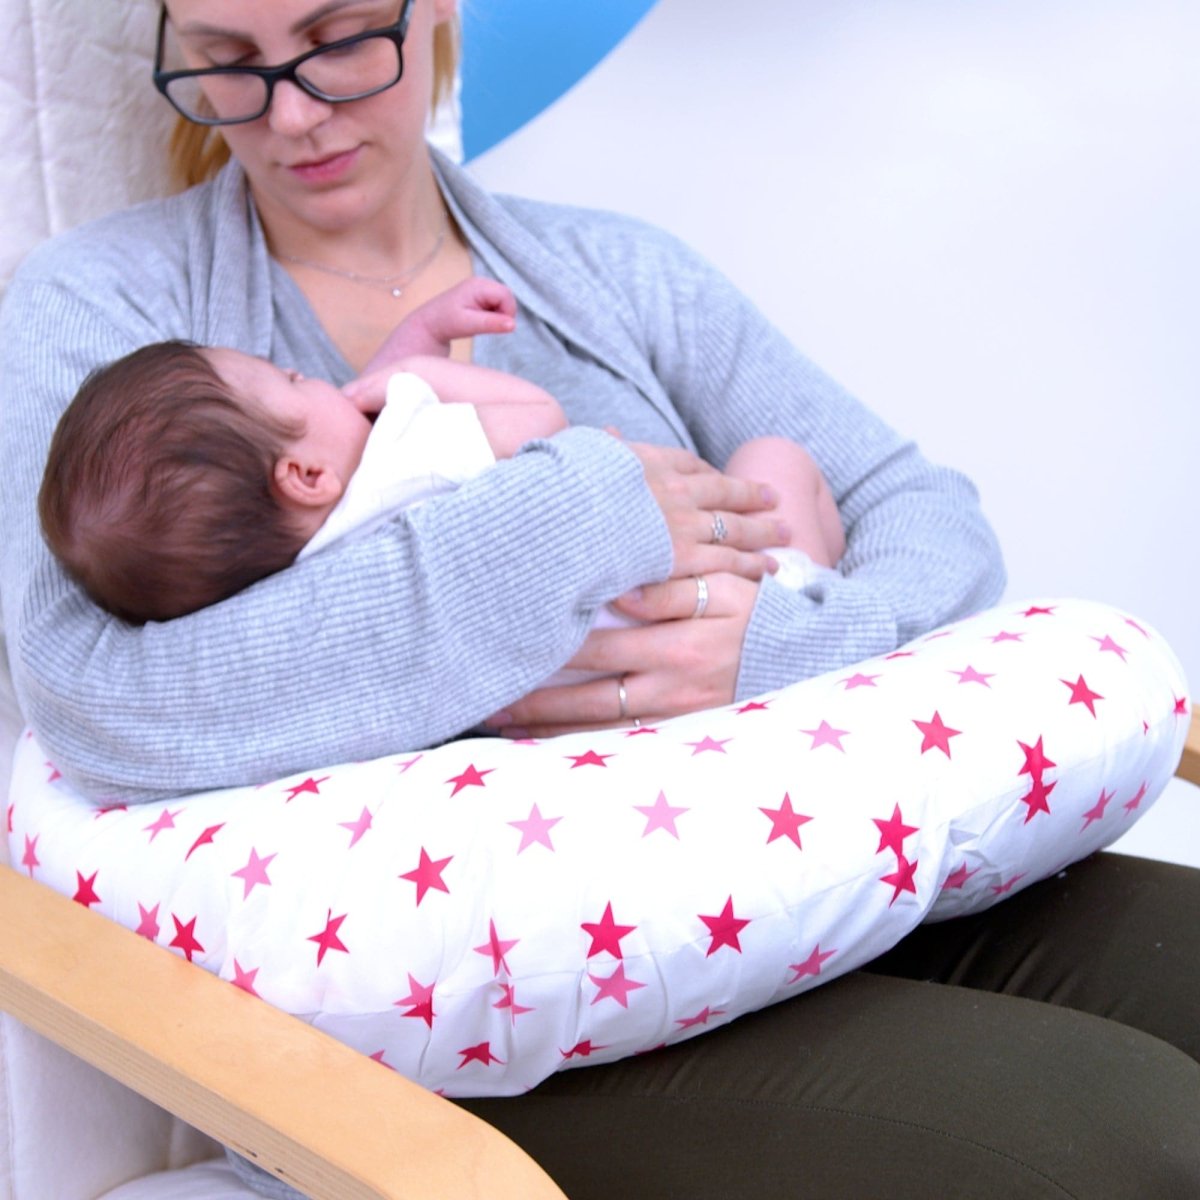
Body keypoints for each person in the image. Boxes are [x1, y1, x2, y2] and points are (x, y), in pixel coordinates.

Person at [1, 2, 1197, 1197]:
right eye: (228, 65)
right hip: (515, 994)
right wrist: (572, 517)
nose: (296, 114)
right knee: (1127, 1130)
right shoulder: (107, 315)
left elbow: (923, 511)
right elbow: (94, 696)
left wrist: (782, 647)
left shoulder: (615, 272)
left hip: (789, 834)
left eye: (342, 37)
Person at [38, 277, 843, 627]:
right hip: (720, 600)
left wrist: (410, 347)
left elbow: (367, 439)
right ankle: (822, 596)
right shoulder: (413, 462)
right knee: (779, 463)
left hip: (603, 661)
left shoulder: (310, 572)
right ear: (306, 475)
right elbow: (538, 419)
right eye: (291, 378)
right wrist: (418, 373)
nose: (323, 380)